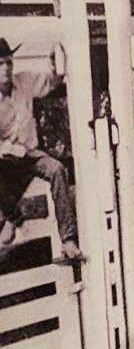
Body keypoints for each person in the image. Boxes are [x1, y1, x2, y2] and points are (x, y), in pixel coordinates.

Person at [0, 38, 83, 264]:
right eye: (0, 64)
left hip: (30, 154)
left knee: (57, 170)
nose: (5, 68)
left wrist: (56, 65)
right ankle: (12, 219)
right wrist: (9, 149)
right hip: (5, 160)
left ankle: (68, 240)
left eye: (8, 62)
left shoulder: (23, 81)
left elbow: (50, 81)